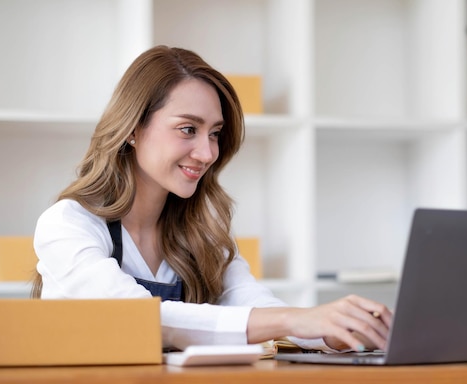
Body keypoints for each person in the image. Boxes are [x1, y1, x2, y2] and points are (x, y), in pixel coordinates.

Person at [32, 45, 392, 353]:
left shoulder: (201, 233)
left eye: (215, 133)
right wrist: (296, 320)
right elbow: (140, 318)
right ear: (132, 129)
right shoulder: (68, 224)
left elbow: (252, 302)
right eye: (188, 129)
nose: (207, 153)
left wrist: (333, 332)